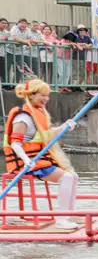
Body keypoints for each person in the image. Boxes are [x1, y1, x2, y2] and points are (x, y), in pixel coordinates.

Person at [3, 79, 79, 230]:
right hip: (25, 161)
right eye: (42, 95)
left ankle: (68, 213)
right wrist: (26, 160)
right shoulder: (23, 117)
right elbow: (15, 143)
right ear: (31, 95)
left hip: (37, 159)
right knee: (67, 177)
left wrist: (65, 127)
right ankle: (62, 219)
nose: (46, 99)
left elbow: (47, 134)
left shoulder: (39, 113)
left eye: (47, 96)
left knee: (73, 176)